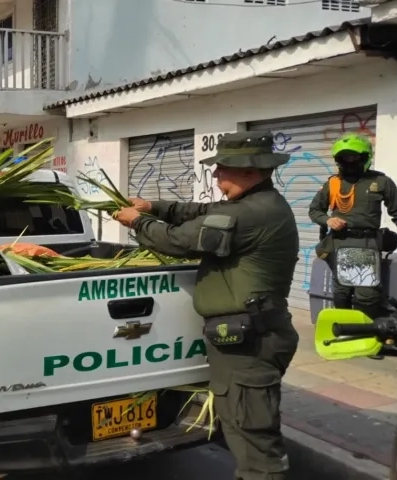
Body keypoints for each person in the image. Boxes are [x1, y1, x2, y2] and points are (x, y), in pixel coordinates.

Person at [112, 131, 300, 480]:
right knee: (244, 429)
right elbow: (202, 211)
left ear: (248, 171)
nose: (215, 176)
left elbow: (178, 242)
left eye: (222, 169)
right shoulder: (254, 204)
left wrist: (137, 222)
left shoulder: (251, 214)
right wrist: (154, 207)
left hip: (250, 346)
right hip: (248, 339)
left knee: (255, 443)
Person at [308, 132, 397, 321]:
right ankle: (343, 329)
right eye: (345, 157)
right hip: (341, 241)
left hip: (368, 242)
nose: (349, 161)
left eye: (354, 157)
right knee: (342, 290)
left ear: (365, 158)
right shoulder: (333, 184)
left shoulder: (381, 182)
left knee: (367, 294)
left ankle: (364, 332)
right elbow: (315, 210)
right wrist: (328, 220)